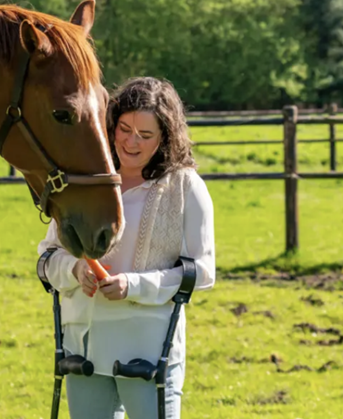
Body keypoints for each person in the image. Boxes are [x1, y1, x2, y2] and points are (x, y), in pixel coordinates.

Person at [36, 76, 215, 419]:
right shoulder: (83, 182)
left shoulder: (185, 187)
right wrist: (75, 270)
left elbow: (203, 273)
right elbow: (46, 259)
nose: (131, 142)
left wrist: (133, 285)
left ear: (165, 137)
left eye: (145, 135)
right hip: (83, 348)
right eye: (124, 129)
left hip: (147, 350)